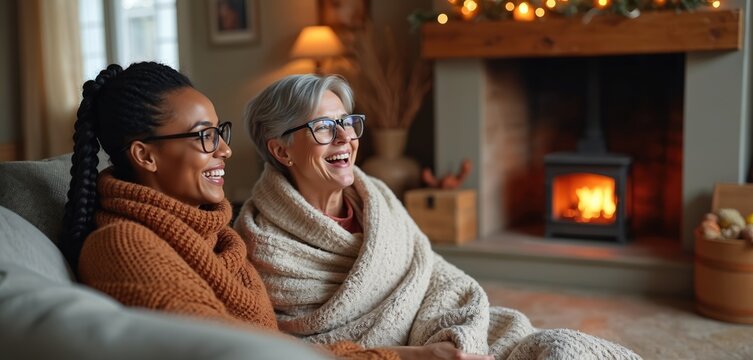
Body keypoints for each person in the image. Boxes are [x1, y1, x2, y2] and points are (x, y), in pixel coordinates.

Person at [235, 74, 642, 360]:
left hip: (436, 332)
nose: (346, 138)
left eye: (348, 122)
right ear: (281, 151)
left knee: (559, 349)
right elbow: (283, 351)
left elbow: (430, 272)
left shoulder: (375, 198)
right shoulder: (258, 244)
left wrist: (456, 339)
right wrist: (417, 356)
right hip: (394, 356)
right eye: (325, 127)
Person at [61, 62, 398, 360]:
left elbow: (270, 346)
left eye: (219, 132)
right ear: (145, 156)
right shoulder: (124, 246)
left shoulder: (220, 238)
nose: (225, 150)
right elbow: (239, 353)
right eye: (204, 136)